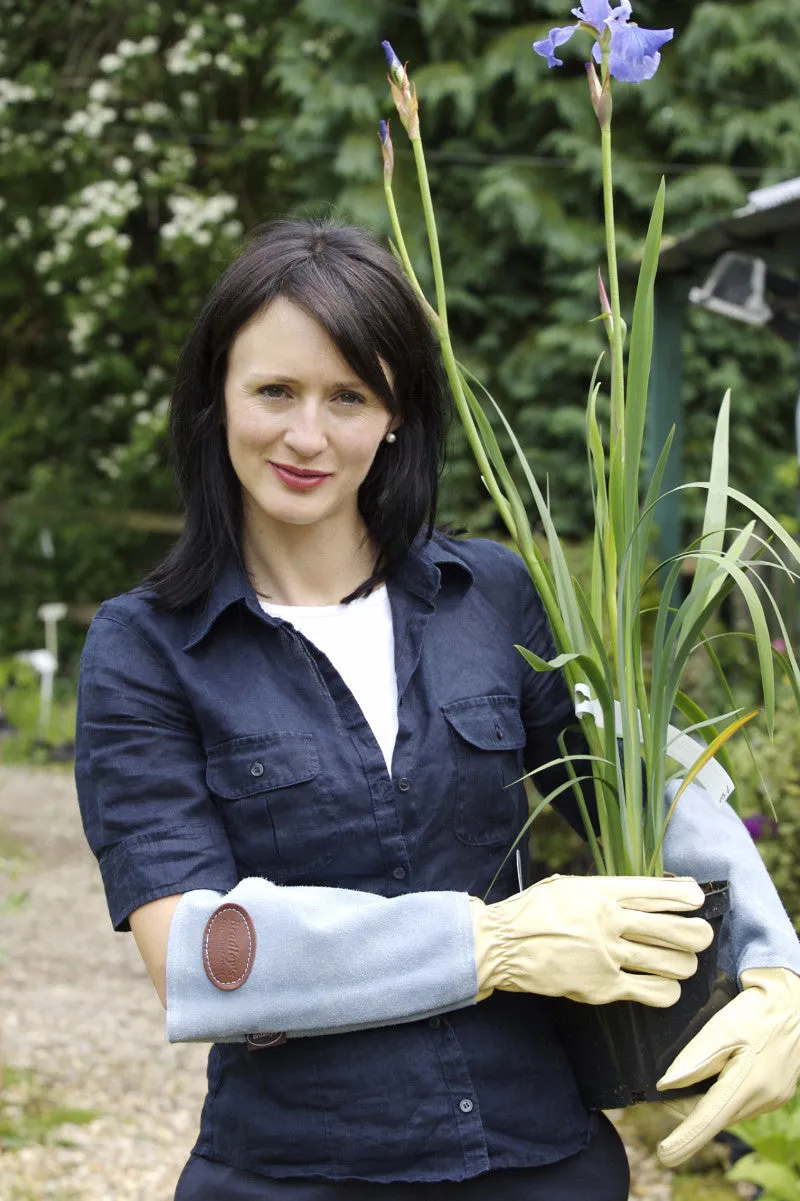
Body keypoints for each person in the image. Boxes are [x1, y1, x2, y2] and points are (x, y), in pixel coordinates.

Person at [75, 219, 800, 1201]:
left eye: (348, 397)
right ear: (216, 398)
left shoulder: (491, 595)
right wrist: (495, 942)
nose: (305, 435)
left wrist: (774, 965)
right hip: (295, 1174)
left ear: (395, 417)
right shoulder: (146, 648)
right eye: (274, 391)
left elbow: (644, 774)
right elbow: (202, 959)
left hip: (542, 1163)